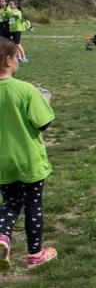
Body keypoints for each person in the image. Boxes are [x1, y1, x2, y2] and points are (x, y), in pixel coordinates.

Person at [0, 38, 57, 270]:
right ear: (8, 60)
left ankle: (2, 235)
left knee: (11, 202)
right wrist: (46, 102)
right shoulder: (25, 90)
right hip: (28, 159)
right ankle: (35, 253)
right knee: (33, 204)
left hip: (2, 162)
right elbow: (43, 123)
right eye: (16, 57)